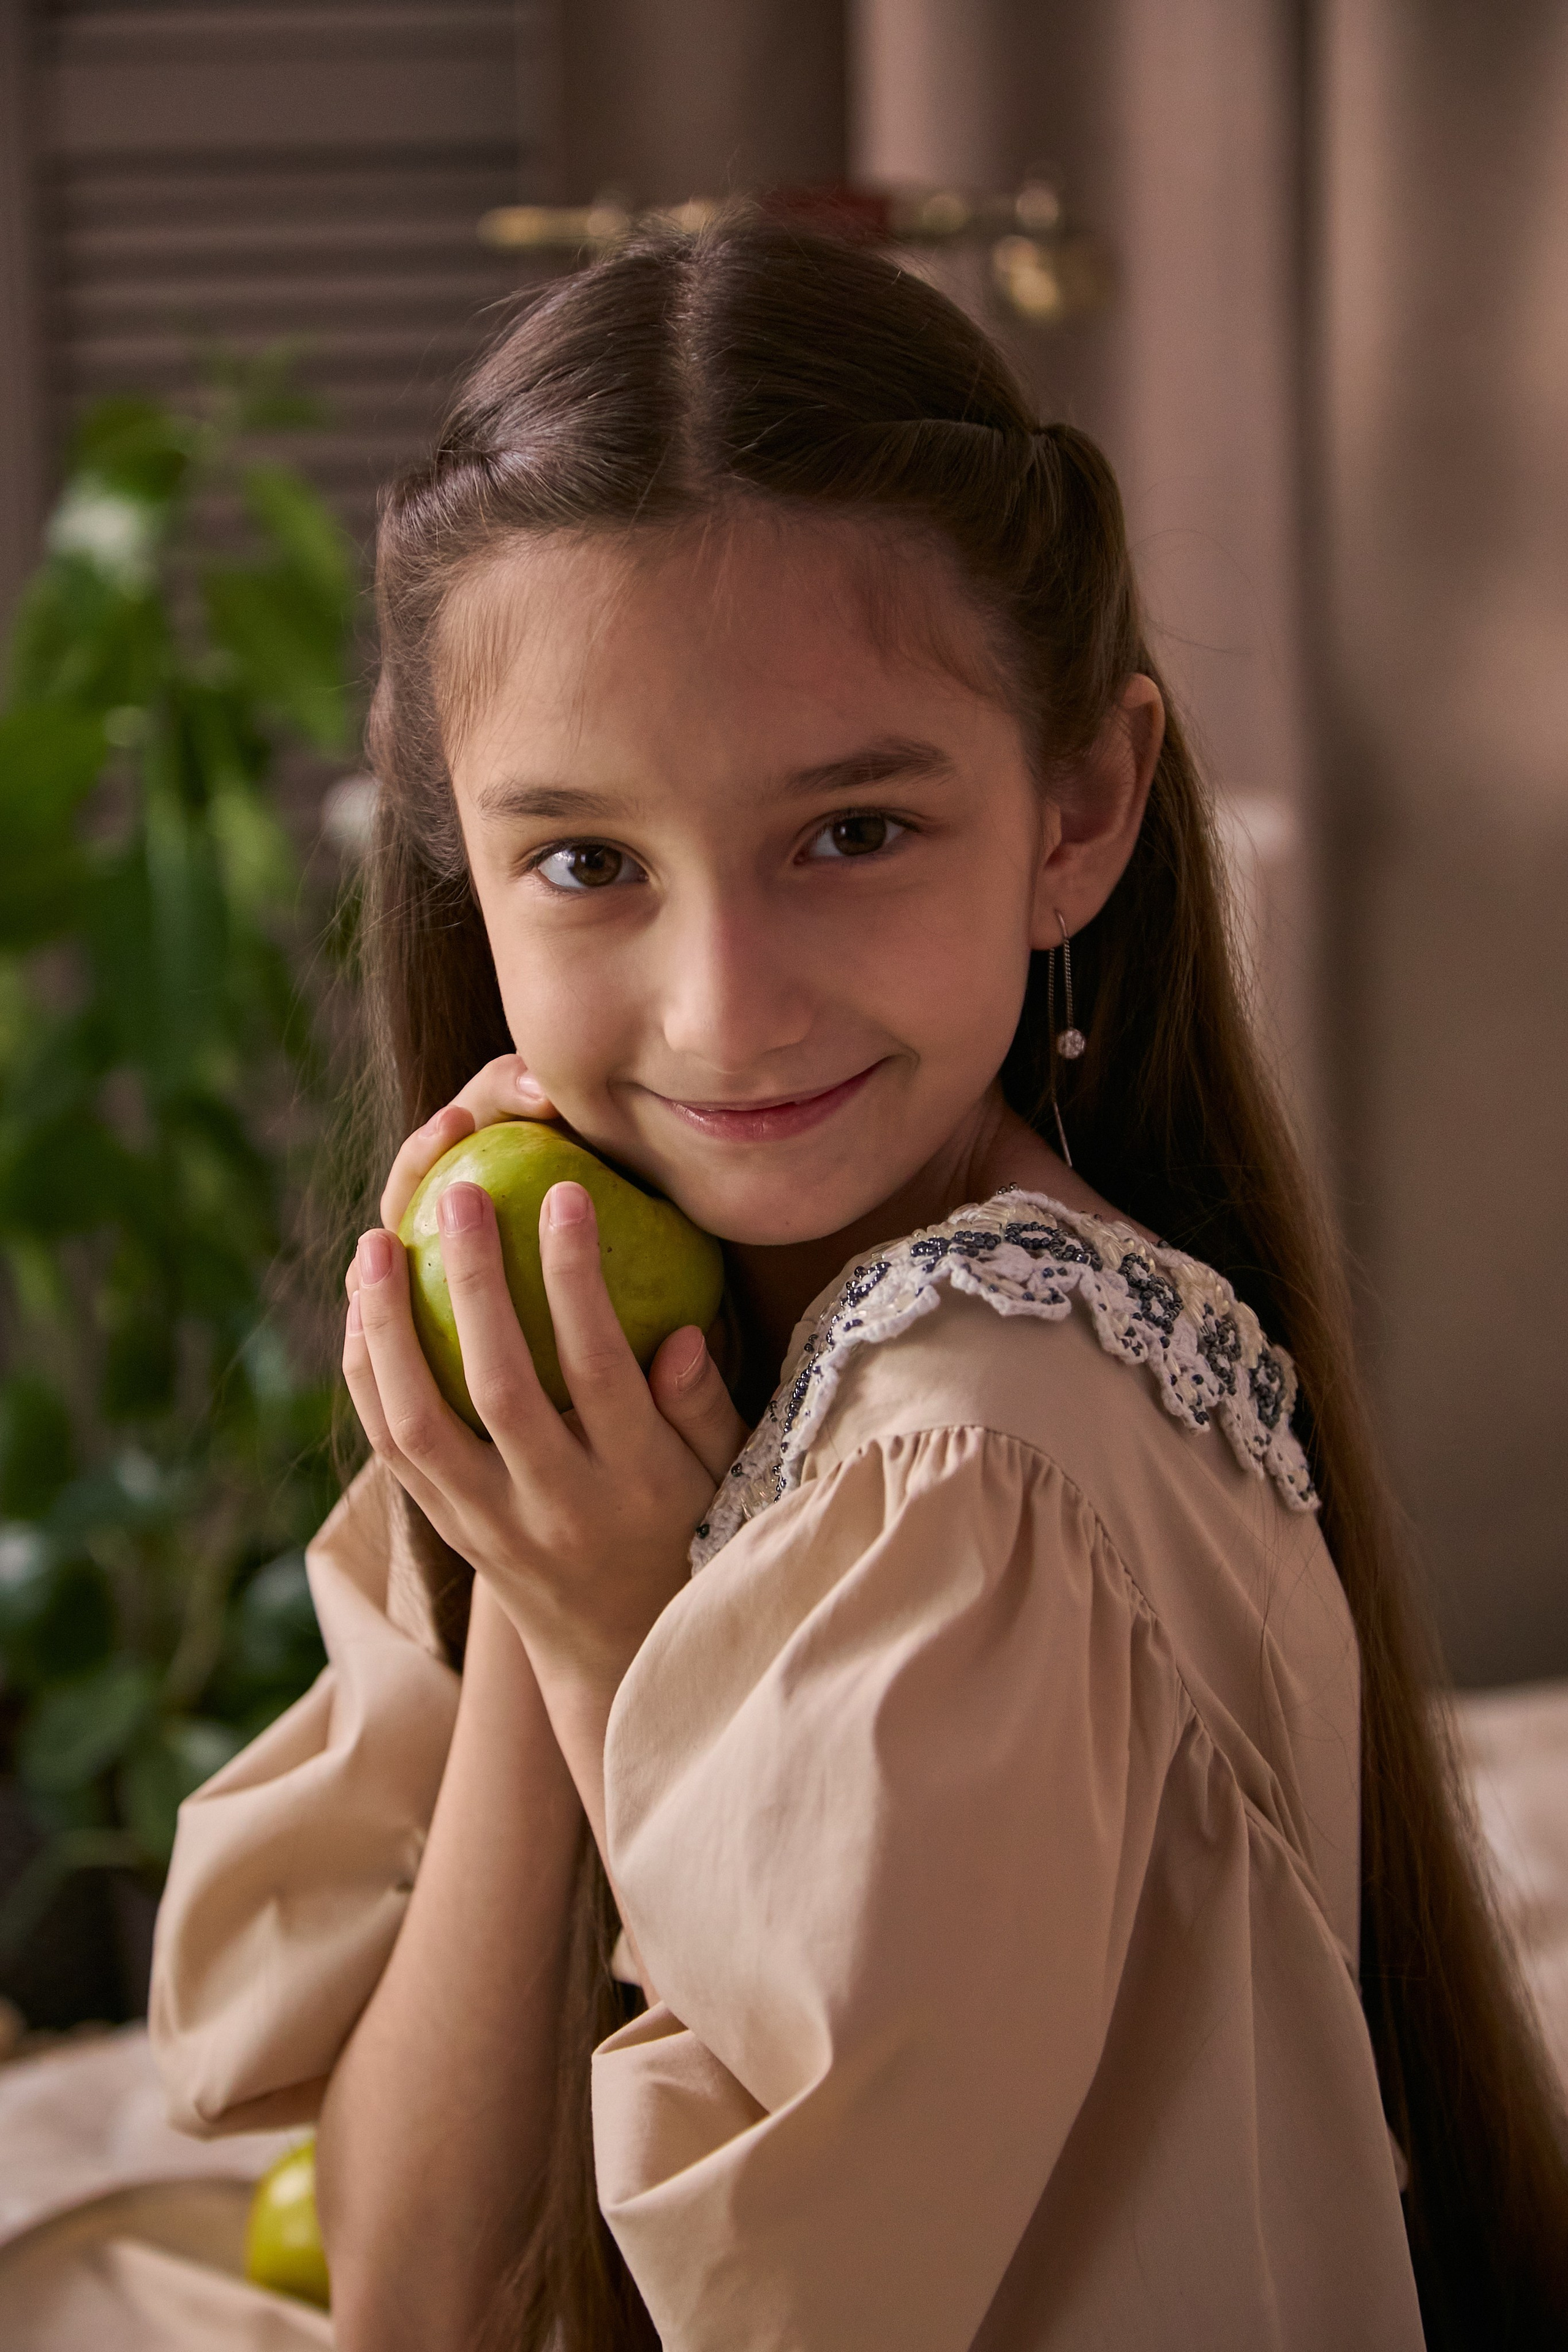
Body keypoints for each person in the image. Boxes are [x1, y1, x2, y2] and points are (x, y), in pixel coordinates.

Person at [148, 221, 1568, 2352]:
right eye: (587, 863)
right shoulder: (616, 1368)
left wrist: (616, 1636)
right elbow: (413, 2289)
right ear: (464, 868)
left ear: (1079, 807)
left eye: (851, 834)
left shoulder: (983, 1464)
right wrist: (554, 1590)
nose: (725, 1011)